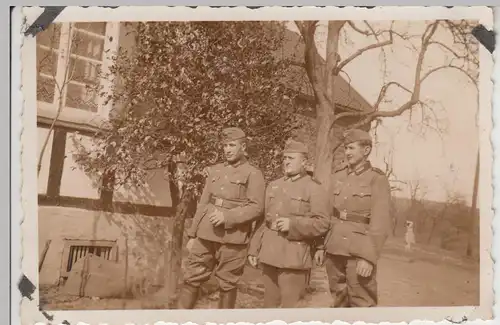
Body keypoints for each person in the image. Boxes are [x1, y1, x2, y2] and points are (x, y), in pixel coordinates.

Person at [177, 127, 266, 309]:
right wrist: (193, 235)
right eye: (225, 145)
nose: (227, 149)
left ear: (243, 147)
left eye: (232, 145)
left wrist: (228, 216)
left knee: (227, 283)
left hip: (233, 238)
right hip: (205, 235)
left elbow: (257, 208)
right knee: (191, 278)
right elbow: (203, 203)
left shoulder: (253, 174)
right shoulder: (215, 171)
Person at [248, 139, 330, 308]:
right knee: (269, 306)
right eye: (284, 158)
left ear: (304, 162)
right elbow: (263, 220)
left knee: (290, 309)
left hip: (294, 258)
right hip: (269, 254)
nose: (286, 162)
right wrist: (254, 248)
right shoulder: (274, 186)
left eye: (291, 158)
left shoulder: (314, 188)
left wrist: (293, 225)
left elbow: (322, 223)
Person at [314, 129, 392, 308]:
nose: (347, 152)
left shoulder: (376, 179)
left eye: (351, 148)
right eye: (345, 148)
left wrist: (368, 257)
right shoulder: (338, 176)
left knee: (361, 302)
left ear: (366, 151)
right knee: (338, 300)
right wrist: (320, 245)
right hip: (334, 249)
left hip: (358, 252)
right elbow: (327, 214)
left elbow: (380, 223)